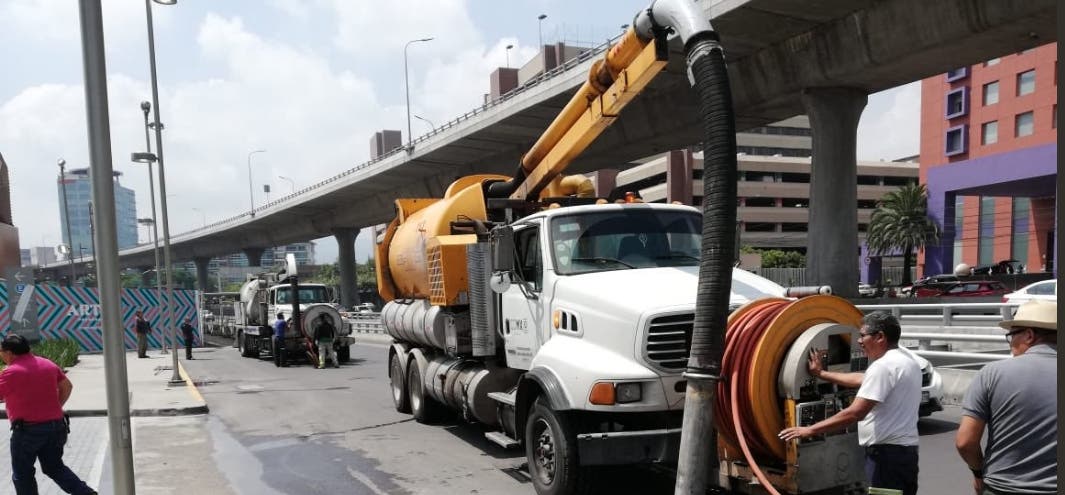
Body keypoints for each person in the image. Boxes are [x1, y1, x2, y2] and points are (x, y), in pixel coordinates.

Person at [779, 312, 922, 495]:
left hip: (886, 456)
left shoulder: (883, 367)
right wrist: (821, 374)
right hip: (906, 453)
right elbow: (862, 379)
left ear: (880, 337)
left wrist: (810, 430)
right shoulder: (907, 361)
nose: (859, 341)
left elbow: (855, 413)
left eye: (863, 336)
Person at [955, 300, 1057, 495]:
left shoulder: (992, 373)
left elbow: (965, 442)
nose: (1011, 344)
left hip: (1002, 488)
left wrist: (978, 473)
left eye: (1011, 336)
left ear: (1029, 335)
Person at [0, 335, 97, 495]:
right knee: (55, 467)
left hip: (27, 432)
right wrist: (56, 407)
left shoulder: (11, 372)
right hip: (55, 426)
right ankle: (86, 493)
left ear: (9, 353)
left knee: (23, 475)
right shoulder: (47, 364)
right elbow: (67, 386)